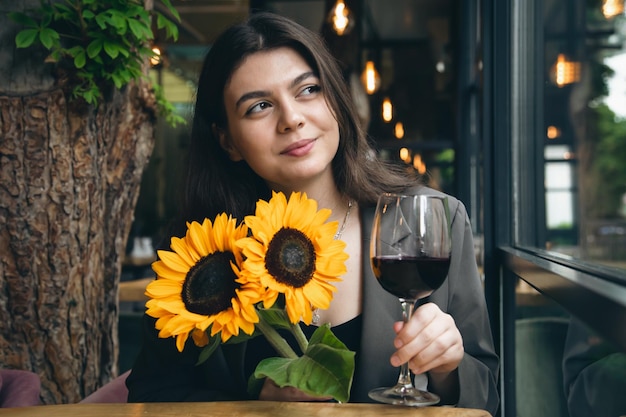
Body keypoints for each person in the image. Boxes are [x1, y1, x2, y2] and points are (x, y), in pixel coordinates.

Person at [126, 11, 499, 414]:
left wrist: (448, 367)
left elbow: (490, 397)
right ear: (227, 140)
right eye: (260, 106)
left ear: (336, 102)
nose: (292, 119)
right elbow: (152, 395)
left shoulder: (435, 219)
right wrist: (257, 404)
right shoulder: (197, 256)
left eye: (307, 90)